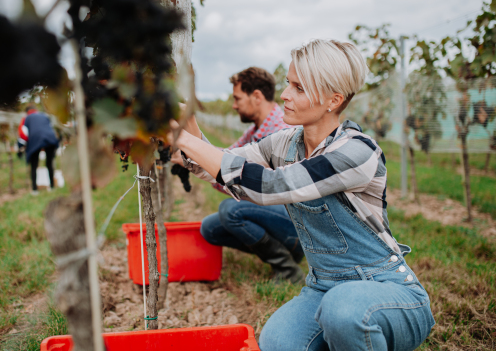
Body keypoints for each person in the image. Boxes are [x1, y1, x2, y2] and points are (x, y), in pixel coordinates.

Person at [169, 39, 435, 351]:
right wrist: (187, 123)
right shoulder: (284, 144)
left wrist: (185, 139)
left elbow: (270, 186)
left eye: (299, 87)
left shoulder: (358, 152)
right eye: (288, 84)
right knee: (277, 342)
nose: (284, 95)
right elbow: (224, 163)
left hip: (384, 290)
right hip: (322, 286)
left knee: (344, 311)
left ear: (333, 100)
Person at [200, 67, 305, 284]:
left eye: (238, 98)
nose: (234, 105)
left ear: (256, 96)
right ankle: (277, 250)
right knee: (210, 228)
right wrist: (190, 150)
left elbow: (247, 183)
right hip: (276, 215)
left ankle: (288, 268)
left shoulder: (280, 129)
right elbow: (224, 157)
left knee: (230, 210)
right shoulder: (257, 129)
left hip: (297, 225)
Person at [18, 105, 59, 195]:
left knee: (34, 165)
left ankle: (34, 190)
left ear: (27, 112)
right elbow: (50, 128)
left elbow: (23, 134)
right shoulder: (44, 116)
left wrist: (20, 147)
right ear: (36, 110)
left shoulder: (26, 118)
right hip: (51, 139)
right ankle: (52, 187)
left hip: (35, 140)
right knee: (49, 163)